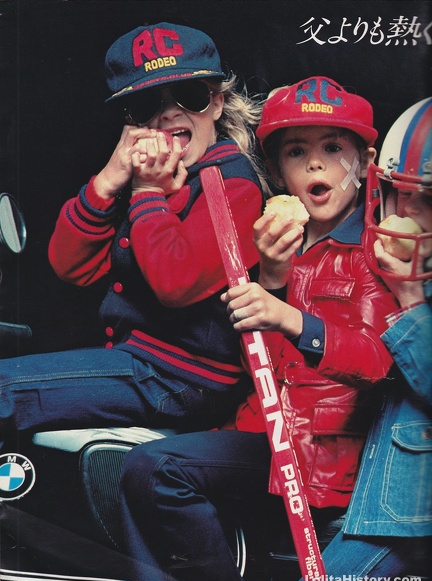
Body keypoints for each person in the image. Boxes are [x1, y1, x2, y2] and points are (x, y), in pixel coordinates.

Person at [119, 76, 399, 581]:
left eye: (333, 148)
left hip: (329, 460)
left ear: (364, 162)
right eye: (296, 152)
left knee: (155, 469)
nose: (315, 165)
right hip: (265, 441)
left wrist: (287, 315)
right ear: (275, 169)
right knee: (146, 470)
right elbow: (262, 369)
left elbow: (377, 363)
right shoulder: (276, 241)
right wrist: (271, 276)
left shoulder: (376, 249)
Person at [0, 22, 266, 453]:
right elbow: (72, 267)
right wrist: (109, 179)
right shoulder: (151, 178)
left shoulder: (231, 183)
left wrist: (146, 194)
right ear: (131, 122)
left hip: (183, 381)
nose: (170, 114)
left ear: (217, 103)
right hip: (140, 367)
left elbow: (176, 284)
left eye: (190, 96)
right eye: (147, 105)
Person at [293, 98, 432, 581]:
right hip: (371, 496)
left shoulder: (409, 285)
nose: (406, 212)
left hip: (409, 513)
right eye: (398, 193)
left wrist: (411, 300)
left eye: (427, 199)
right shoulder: (384, 264)